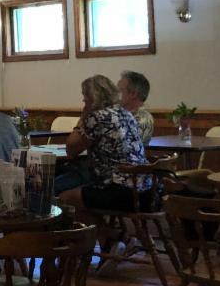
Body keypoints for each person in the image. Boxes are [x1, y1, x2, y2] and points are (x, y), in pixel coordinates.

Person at [57, 75, 149, 214]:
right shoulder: (126, 114)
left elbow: (71, 150)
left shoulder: (98, 117)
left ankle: (99, 227)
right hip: (144, 188)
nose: (83, 100)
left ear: (93, 97)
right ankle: (101, 226)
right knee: (81, 188)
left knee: (65, 198)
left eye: (85, 95)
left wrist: (82, 118)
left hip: (119, 190)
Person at [117, 71, 154, 144]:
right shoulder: (122, 113)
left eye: (120, 90)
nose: (116, 94)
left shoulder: (143, 118)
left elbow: (123, 144)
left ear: (133, 94)